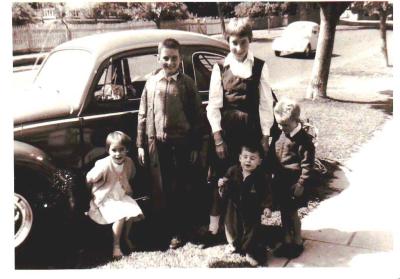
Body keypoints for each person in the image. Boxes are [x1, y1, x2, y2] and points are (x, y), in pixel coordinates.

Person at [204, 17, 276, 246]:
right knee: (226, 179)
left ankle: (250, 230)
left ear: (250, 41)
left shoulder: (260, 67)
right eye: (233, 42)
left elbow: (266, 104)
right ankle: (226, 231)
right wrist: (217, 137)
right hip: (227, 133)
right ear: (228, 41)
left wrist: (266, 135)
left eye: (242, 42)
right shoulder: (219, 68)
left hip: (251, 132)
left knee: (251, 180)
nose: (238, 48)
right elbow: (213, 106)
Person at [137, 38, 202, 249]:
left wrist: (194, 146)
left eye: (174, 58)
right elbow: (143, 114)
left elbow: (197, 117)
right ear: (158, 58)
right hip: (159, 145)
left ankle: (183, 230)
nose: (170, 62)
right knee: (163, 189)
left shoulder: (187, 84)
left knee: (182, 187)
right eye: (165, 58)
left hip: (182, 144)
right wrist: (140, 144)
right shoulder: (152, 83)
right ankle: (168, 228)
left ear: (180, 58)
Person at [86, 131, 144, 259]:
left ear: (127, 150)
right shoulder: (104, 164)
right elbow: (90, 178)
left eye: (121, 150)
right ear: (108, 150)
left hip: (121, 196)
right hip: (106, 199)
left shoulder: (128, 162)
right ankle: (116, 246)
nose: (118, 154)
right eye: (114, 150)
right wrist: (94, 187)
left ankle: (126, 237)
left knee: (130, 212)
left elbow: (132, 174)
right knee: (120, 216)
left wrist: (124, 185)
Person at [270, 98, 315, 259]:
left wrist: (301, 183)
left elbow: (307, 165)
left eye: (285, 125)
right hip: (280, 181)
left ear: (296, 121)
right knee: (283, 210)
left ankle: (297, 240)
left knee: (292, 212)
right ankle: (286, 239)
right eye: (279, 124)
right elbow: (272, 155)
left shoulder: (304, 140)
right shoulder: (280, 134)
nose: (281, 128)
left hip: (293, 183)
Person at [217, 143, 273, 266]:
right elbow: (225, 184)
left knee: (251, 229)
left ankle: (250, 250)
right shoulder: (233, 171)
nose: (248, 160)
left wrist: (267, 206)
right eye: (245, 157)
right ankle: (234, 244)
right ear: (239, 158)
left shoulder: (261, 177)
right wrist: (221, 184)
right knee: (231, 226)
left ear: (259, 161)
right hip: (233, 206)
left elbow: (267, 193)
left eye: (253, 158)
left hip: (252, 208)